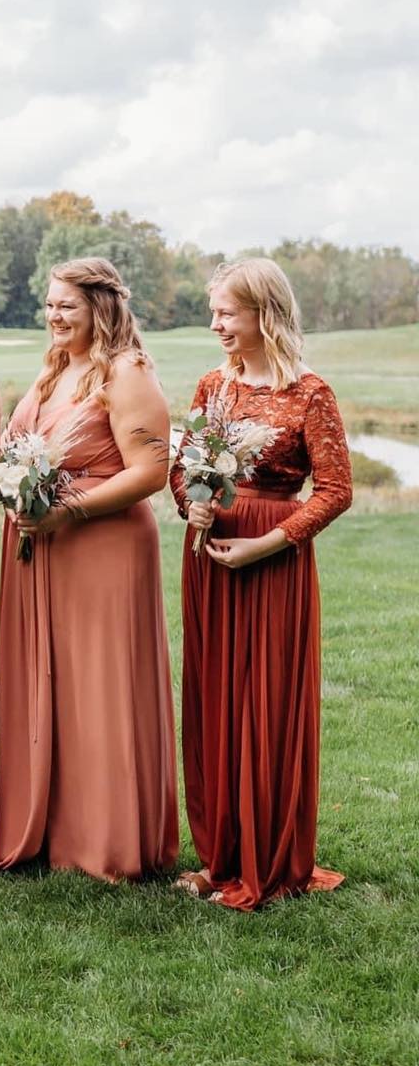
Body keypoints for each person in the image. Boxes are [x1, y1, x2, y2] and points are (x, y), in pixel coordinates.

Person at [173, 257, 352, 909]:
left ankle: (266, 864)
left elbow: (336, 491)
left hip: (271, 562)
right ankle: (218, 858)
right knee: (215, 700)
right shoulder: (209, 386)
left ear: (263, 313)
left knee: (266, 703)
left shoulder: (310, 392)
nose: (216, 322)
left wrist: (266, 544)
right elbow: (184, 465)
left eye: (228, 311)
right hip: (211, 560)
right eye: (214, 310)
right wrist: (188, 499)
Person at [0, 256, 178, 882]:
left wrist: (68, 509)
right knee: (54, 686)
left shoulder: (126, 372)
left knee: (98, 690)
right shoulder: (56, 369)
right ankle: (49, 829)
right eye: (48, 304)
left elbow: (151, 471)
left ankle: (106, 842)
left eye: (65, 305)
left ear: (101, 308)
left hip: (103, 549)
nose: (53, 315)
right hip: (45, 548)